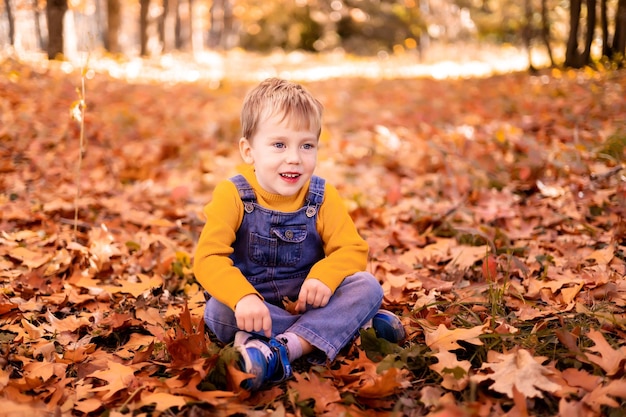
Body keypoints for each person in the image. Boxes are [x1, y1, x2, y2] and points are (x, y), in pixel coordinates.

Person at [193, 78, 405, 391]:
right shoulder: (233, 195)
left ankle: (279, 349)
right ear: (249, 151)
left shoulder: (321, 196)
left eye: (306, 145)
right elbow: (208, 258)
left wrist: (325, 276)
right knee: (218, 311)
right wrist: (243, 297)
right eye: (279, 144)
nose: (294, 157)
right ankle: (349, 330)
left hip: (311, 300)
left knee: (367, 286)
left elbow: (353, 249)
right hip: (255, 307)